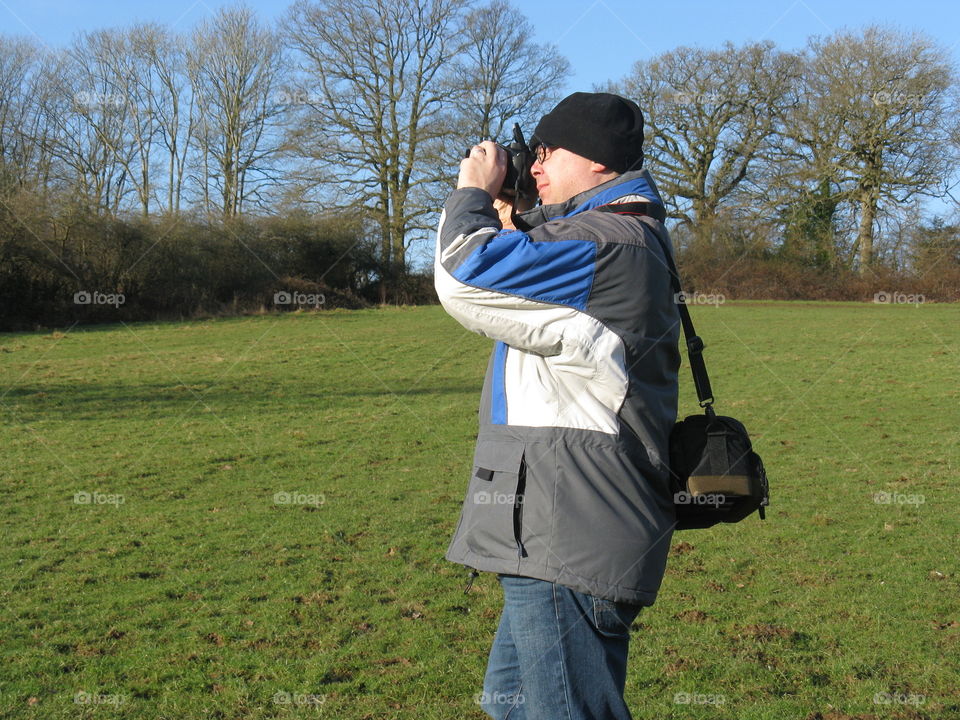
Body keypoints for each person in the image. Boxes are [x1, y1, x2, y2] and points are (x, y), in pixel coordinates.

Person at [434, 92, 680, 720]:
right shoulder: (615, 236)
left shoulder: (611, 243)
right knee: (511, 705)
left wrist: (470, 192)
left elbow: (466, 273)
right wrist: (519, 214)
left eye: (546, 153)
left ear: (599, 163)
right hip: (555, 528)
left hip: (569, 531)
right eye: (530, 155)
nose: (534, 166)